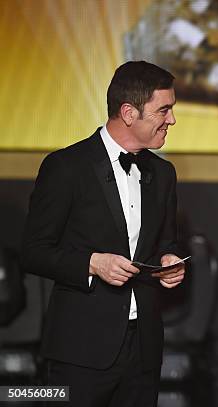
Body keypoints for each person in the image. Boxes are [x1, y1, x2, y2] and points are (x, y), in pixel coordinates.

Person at [21, 61, 186, 406]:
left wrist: (169, 261)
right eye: (164, 110)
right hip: (80, 350)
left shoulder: (164, 173)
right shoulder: (66, 167)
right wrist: (92, 264)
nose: (171, 120)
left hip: (144, 349)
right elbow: (33, 251)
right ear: (128, 112)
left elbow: (164, 243)